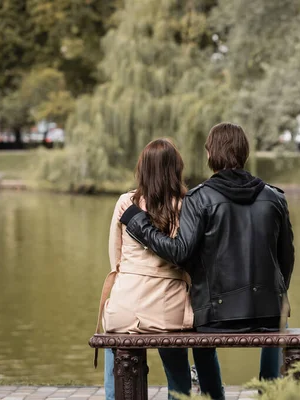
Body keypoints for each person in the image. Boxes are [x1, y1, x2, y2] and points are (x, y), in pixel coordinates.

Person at [120, 122, 295, 381]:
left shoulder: (199, 198)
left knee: (199, 340)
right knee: (280, 324)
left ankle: (212, 395)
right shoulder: (275, 197)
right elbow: (286, 258)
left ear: (211, 154)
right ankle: (269, 390)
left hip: (216, 318)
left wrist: (139, 223)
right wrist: (275, 297)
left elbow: (180, 252)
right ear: (244, 153)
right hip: (269, 312)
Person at [97, 138, 224, 400]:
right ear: (177, 169)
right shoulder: (188, 204)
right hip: (170, 310)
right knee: (177, 369)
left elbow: (115, 259)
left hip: (127, 306)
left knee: (115, 345)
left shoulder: (125, 203)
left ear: (142, 169)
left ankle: (114, 396)